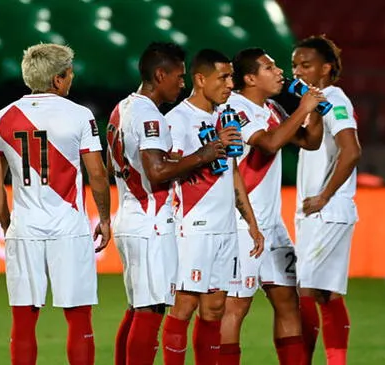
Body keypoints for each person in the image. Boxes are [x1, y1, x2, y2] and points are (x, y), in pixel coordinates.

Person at [0, 43, 110, 365]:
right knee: (79, 317)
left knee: (24, 320)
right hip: (69, 228)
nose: (72, 79)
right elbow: (97, 173)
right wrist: (106, 219)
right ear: (57, 79)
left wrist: (5, 222)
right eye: (69, 73)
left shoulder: (2, 118)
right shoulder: (79, 115)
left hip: (25, 228)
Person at [107, 42, 225, 365]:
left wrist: (172, 160)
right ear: (160, 75)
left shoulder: (122, 109)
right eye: (179, 76)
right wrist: (203, 155)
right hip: (151, 222)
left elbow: (112, 167)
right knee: (150, 312)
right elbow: (156, 171)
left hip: (129, 214)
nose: (182, 83)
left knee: (136, 309)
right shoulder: (151, 117)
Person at [218, 48, 326, 365]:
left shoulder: (272, 108)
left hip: (271, 223)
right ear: (250, 78)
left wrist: (314, 109)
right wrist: (302, 108)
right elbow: (268, 143)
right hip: (242, 222)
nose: (279, 71)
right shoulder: (235, 108)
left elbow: (310, 141)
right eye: (269, 67)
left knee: (288, 301)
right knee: (235, 307)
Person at [160, 49, 264, 365]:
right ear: (201, 79)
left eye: (231, 76)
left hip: (225, 227)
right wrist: (210, 147)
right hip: (193, 227)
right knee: (184, 306)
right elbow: (167, 168)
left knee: (215, 308)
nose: (230, 84)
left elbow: (232, 173)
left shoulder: (222, 117)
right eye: (223, 77)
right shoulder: (176, 120)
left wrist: (251, 222)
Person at [291, 35, 361, 365]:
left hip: (327, 212)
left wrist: (323, 196)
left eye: (306, 65)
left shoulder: (334, 100)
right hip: (320, 212)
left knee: (302, 290)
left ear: (326, 68)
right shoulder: (315, 104)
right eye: (294, 65)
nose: (298, 71)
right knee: (326, 293)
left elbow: (352, 151)